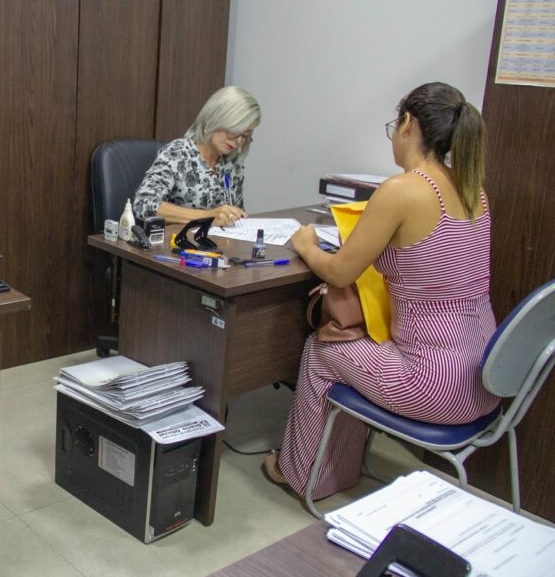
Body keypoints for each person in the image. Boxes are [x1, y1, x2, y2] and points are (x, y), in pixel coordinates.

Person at [265, 82, 501, 500]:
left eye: (395, 124)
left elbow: (340, 272)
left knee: (322, 351)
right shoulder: (472, 190)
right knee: (362, 342)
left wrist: (305, 244)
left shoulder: (402, 190)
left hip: (436, 386)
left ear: (407, 124)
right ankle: (339, 468)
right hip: (486, 379)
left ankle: (302, 473)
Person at [133, 86, 261, 226]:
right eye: (235, 131)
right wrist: (208, 217)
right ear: (214, 119)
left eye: (245, 135)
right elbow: (143, 204)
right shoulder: (178, 154)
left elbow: (235, 212)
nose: (239, 141)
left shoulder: (233, 162)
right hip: (177, 238)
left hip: (218, 239)